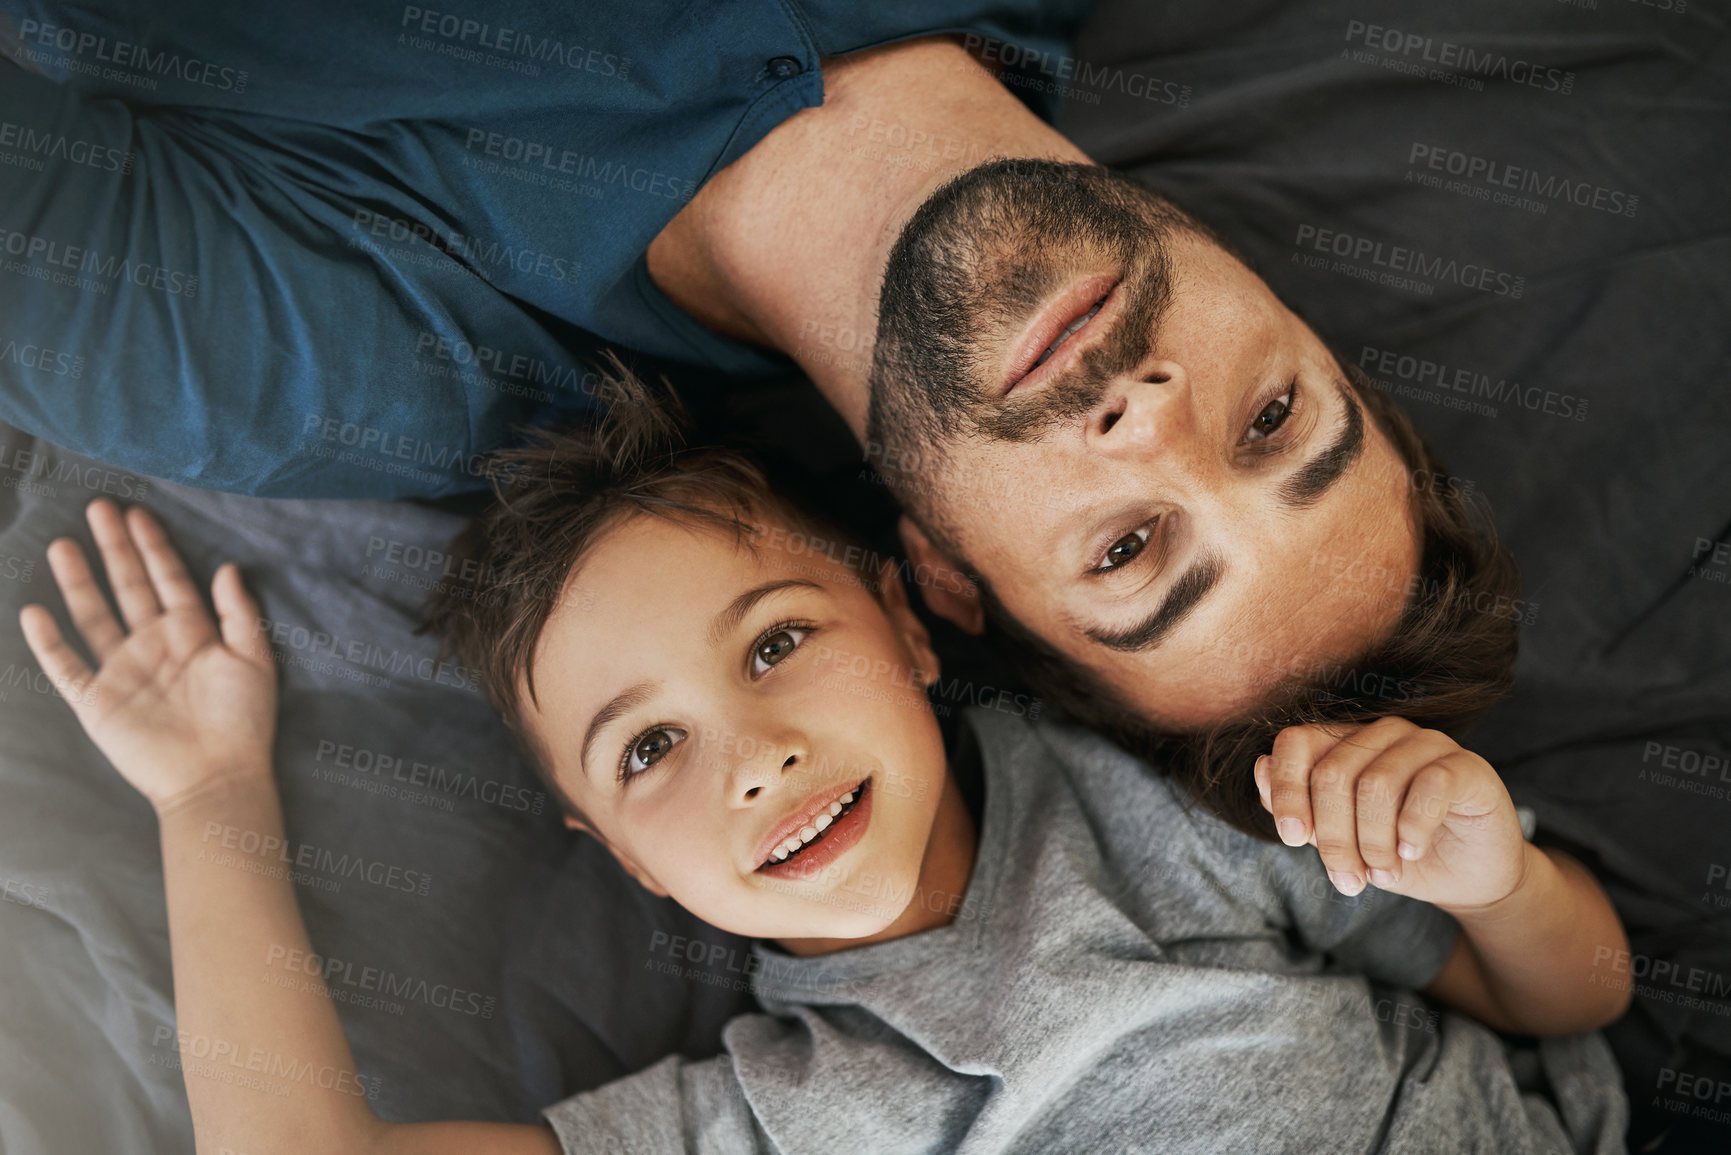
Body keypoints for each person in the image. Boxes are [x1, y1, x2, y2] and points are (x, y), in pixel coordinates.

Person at [18, 373, 1629, 1154]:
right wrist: (210, 797)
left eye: (778, 643)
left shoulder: (1161, 806)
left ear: (912, 631)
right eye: (650, 747)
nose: (755, 758)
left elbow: (1571, 998)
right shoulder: (781, 1120)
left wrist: (1494, 874)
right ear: (621, 851)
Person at [0, 12, 1523, 828]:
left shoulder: (345, 361)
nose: (1147, 419)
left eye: (1131, 547)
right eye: (1269, 421)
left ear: (939, 582)